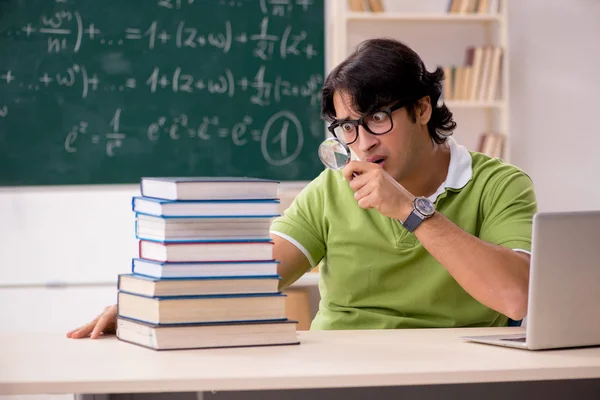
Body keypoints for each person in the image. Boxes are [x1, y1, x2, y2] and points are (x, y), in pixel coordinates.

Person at [67, 38, 536, 339]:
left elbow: (517, 297)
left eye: (376, 117)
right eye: (346, 127)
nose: (363, 142)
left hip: (459, 379)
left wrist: (413, 212)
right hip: (341, 377)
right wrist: (145, 304)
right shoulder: (333, 189)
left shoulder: (500, 185)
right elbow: (253, 274)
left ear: (422, 109)